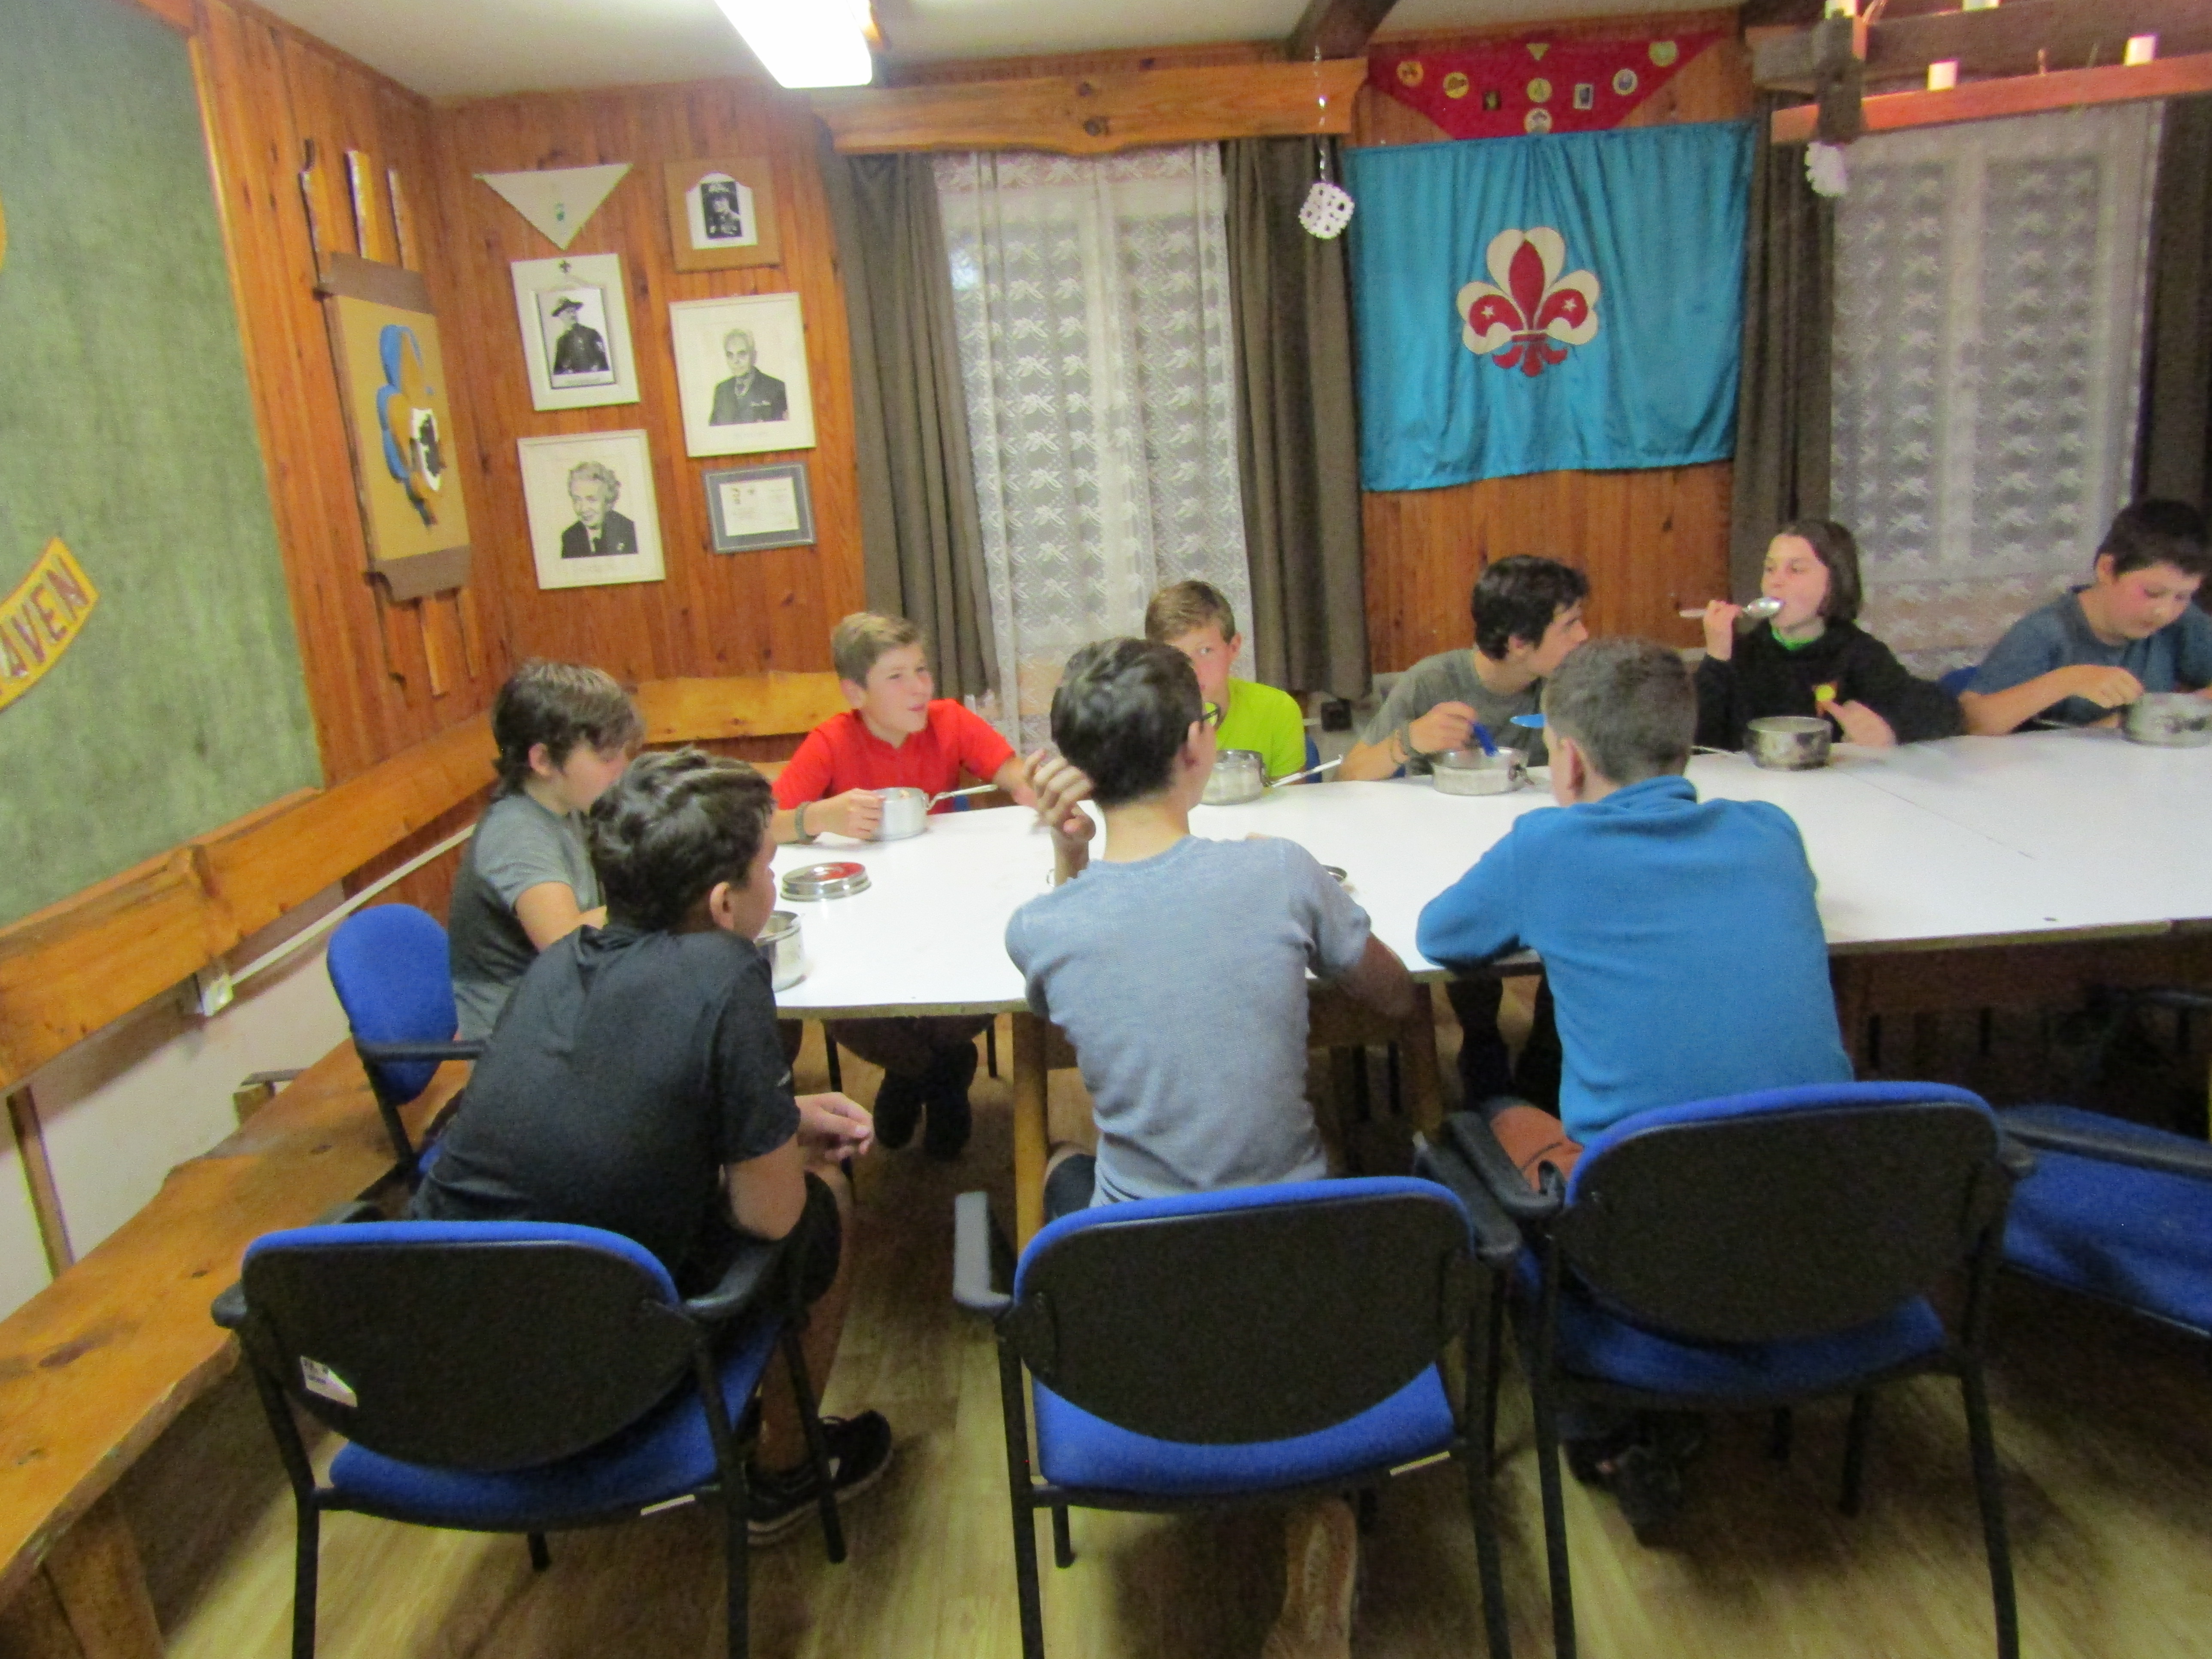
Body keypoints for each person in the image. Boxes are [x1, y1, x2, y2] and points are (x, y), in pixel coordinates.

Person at [1006, 637, 1417, 1659]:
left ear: (1080, 773)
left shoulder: (1041, 925)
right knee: (1336, 1158)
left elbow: (1057, 995)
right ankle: (1315, 1493)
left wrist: (1069, 858)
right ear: (1197, 747)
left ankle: (1260, 1450)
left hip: (1139, 1302)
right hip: (1296, 1259)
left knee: (1065, 1165)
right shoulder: (1278, 871)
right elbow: (1395, 997)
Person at [1416, 638, 1853, 1528]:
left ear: (1567, 761)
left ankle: (1601, 1420)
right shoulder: (1770, 832)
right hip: (1825, 1243)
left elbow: (1441, 933)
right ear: (1682, 744)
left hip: (1644, 1256)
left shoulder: (1547, 846)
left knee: (1482, 1116)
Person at [414, 749, 890, 1541]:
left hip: (438, 1362)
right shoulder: (727, 972)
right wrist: (772, 1141)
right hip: (588, 1376)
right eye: (767, 867)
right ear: (724, 903)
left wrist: (770, 1116)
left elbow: (612, 1105)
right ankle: (784, 1470)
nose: (773, 881)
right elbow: (770, 1216)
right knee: (824, 1199)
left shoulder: (560, 962)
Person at [773, 613, 1036, 1158]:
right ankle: (940, 1071)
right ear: (856, 693)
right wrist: (818, 816)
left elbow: (1014, 775)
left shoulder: (949, 719)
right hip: (864, 914)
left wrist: (1039, 787)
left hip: (948, 901)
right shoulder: (831, 741)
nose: (919, 687)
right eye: (896, 677)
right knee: (836, 997)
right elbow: (762, 824)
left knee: (998, 964)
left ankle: (911, 1072)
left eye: (921, 670)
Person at [1340, 555, 1591, 1113]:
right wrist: (1409, 740)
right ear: (1520, 642)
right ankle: (1481, 1042)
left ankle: (1547, 1047)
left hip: (1536, 843)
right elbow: (1349, 775)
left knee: (1574, 905)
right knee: (1467, 919)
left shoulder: (1569, 685)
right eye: (1570, 624)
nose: (1584, 636)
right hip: (1447, 850)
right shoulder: (1434, 680)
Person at [447, 662, 641, 1038]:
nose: (623, 767)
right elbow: (565, 944)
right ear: (543, 761)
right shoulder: (517, 833)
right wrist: (660, 902)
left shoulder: (570, 808)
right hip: (523, 1044)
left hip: (564, 1014)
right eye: (607, 757)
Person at [1695, 520, 1962, 750]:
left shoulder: (1858, 654)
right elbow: (1695, 743)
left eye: (1796, 570)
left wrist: (1890, 728)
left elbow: (1944, 712)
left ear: (1834, 583)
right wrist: (1716, 660)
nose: (1776, 581)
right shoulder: (1740, 655)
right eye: (1770, 569)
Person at [1961, 499, 2212, 734]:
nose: (2164, 612)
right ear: (2107, 569)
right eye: (2152, 593)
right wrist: (2069, 681)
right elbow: (1973, 723)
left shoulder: (2181, 623)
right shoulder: (2046, 630)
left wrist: (2164, 712)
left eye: (2183, 597)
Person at [1144, 578, 1307, 782]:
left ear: (1234, 647)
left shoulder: (1277, 710)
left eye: (1206, 651)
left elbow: (1291, 799)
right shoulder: (1140, 720)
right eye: (1176, 656)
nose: (1192, 671)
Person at [558, 460, 638, 560]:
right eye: (577, 500)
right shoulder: (570, 537)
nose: (583, 509)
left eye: (591, 500)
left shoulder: (629, 531)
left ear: (608, 501)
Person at [708, 328, 789, 425]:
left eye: (742, 354)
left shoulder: (777, 388)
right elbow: (713, 430)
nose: (736, 361)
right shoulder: (721, 390)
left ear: (754, 356)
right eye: (730, 355)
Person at [547, 294, 609, 375]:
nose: (573, 315)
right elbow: (558, 371)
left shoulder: (592, 333)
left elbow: (603, 361)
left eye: (574, 311)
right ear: (561, 316)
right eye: (568, 312)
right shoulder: (562, 341)